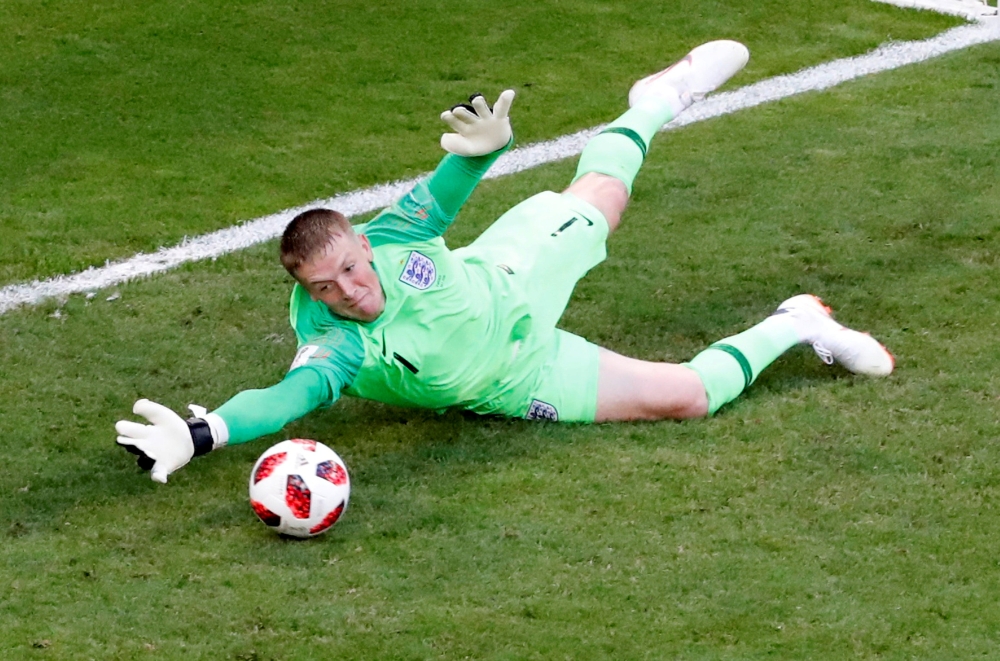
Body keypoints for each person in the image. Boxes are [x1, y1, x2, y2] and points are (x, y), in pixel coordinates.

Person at [116, 40, 894, 483]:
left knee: (604, 196)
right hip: (515, 379)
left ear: (361, 241)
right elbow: (285, 399)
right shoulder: (338, 344)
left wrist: (486, 152)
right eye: (328, 287)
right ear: (307, 292)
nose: (353, 290)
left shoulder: (399, 233)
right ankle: (797, 322)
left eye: (353, 268)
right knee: (688, 399)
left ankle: (654, 100)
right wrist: (208, 430)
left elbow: (451, 185)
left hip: (516, 276)